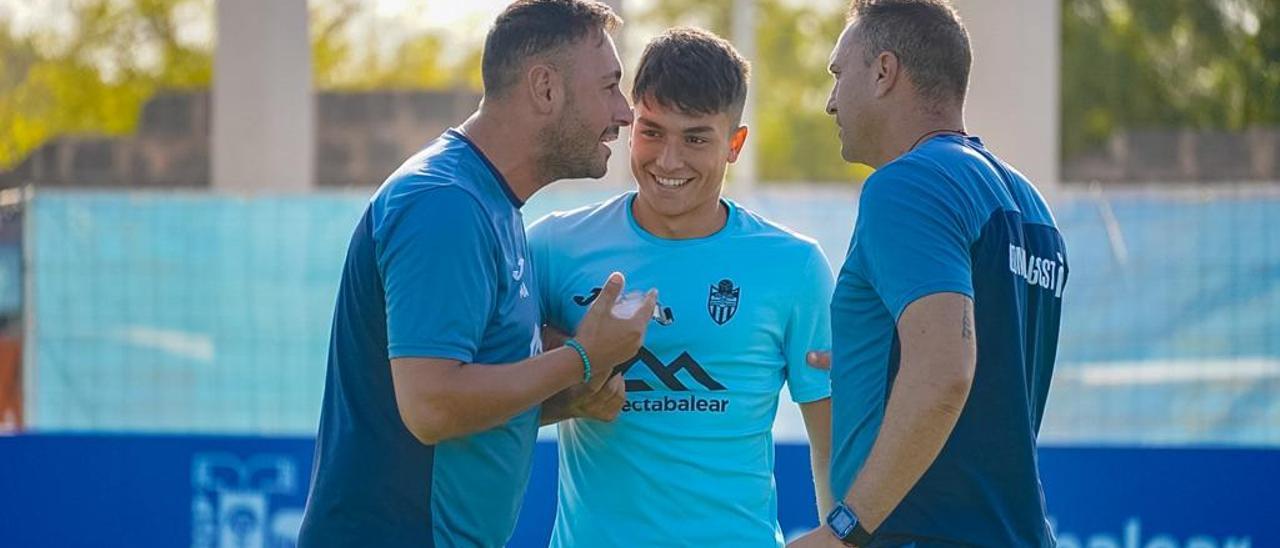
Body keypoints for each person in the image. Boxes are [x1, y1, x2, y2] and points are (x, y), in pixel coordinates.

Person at [296, 1, 655, 546]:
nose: (625, 112)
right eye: (609, 86)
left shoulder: (490, 204)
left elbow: (467, 411)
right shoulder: (445, 204)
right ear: (545, 88)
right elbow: (432, 406)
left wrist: (569, 396)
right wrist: (582, 358)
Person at [529, 27, 836, 547]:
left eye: (695, 138)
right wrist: (571, 392)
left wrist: (841, 537)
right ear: (631, 124)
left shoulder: (794, 266)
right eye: (652, 131)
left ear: (734, 144)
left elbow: (831, 440)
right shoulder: (554, 248)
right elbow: (486, 398)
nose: (668, 160)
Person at [790, 1, 1068, 546]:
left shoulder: (909, 184)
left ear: (884, 72)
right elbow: (988, 373)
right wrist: (869, 360)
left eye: (837, 74)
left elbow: (945, 371)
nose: (829, 101)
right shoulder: (1031, 203)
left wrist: (845, 529)